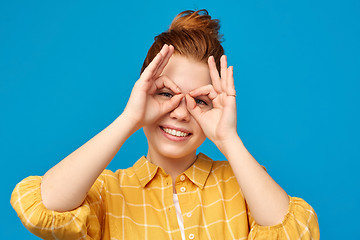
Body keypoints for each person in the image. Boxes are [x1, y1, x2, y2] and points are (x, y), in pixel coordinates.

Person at [11, 9, 320, 240]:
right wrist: (129, 118)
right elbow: (41, 209)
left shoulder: (242, 183)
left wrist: (228, 138)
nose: (181, 112)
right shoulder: (107, 190)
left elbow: (298, 232)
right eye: (166, 93)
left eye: (200, 101)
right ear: (143, 92)